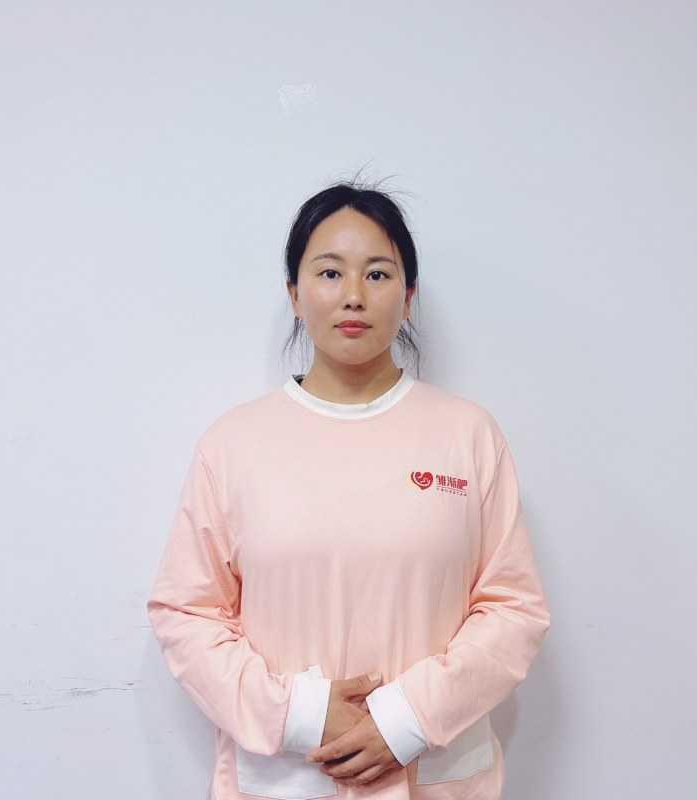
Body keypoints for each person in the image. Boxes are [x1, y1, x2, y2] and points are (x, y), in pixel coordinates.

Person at [146, 176, 552, 800]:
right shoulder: (234, 445)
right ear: (295, 293)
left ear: (409, 297)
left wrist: (408, 720)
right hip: (287, 778)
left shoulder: (467, 435)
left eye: (378, 274)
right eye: (330, 273)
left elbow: (514, 609)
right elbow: (186, 613)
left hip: (433, 781)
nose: (354, 296)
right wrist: (301, 715)